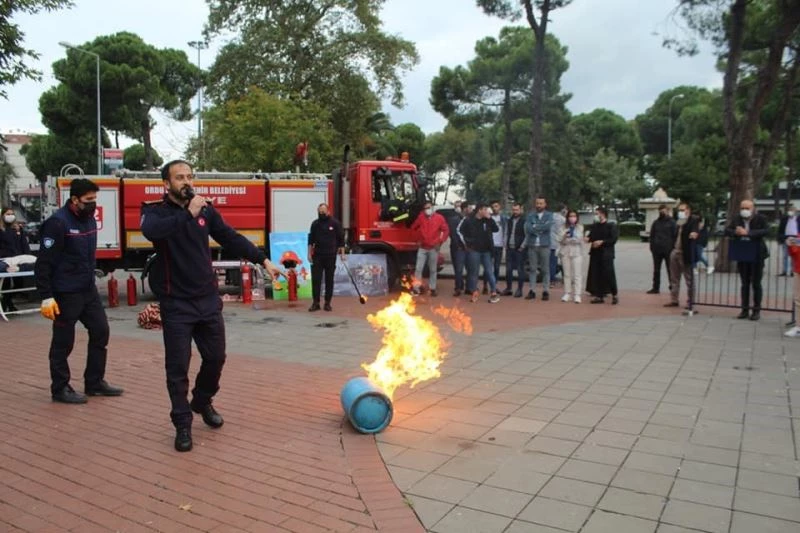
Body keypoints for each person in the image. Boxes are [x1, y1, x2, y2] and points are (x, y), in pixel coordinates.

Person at [141, 160, 282, 452]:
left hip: (206, 300)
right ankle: (182, 424)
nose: (187, 181)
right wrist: (187, 215)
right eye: (180, 177)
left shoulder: (204, 210)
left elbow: (230, 237)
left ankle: (202, 400)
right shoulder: (154, 212)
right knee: (177, 367)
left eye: (190, 176)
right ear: (166, 184)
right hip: (177, 304)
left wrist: (262, 259)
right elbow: (153, 232)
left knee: (216, 357)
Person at [34, 178, 123, 404]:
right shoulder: (57, 224)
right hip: (66, 292)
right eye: (89, 200)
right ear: (74, 199)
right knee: (63, 341)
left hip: (87, 290)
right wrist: (46, 296)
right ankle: (60, 388)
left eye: (95, 199)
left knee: (101, 330)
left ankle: (94, 382)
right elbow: (44, 263)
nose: (93, 204)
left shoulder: (88, 219)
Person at [726, 199, 769, 321]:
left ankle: (756, 310)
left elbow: (766, 230)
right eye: (742, 208)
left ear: (753, 208)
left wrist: (748, 232)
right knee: (744, 283)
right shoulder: (737, 218)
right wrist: (736, 232)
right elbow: (727, 230)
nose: (744, 210)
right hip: (743, 253)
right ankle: (744, 309)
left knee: (756, 283)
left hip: (757, 254)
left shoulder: (761, 218)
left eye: (747, 208)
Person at [307, 203, 345, 311]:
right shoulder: (315, 224)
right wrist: (309, 254)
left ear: (328, 211)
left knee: (329, 280)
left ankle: (327, 303)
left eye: (323, 211)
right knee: (316, 280)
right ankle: (316, 303)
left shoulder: (335, 223)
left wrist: (342, 254)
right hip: (317, 256)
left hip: (330, 256)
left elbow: (341, 239)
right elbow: (310, 240)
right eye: (319, 211)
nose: (321, 213)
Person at [459, 203, 500, 303]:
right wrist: (468, 243)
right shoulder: (469, 220)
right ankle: (474, 292)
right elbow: (461, 231)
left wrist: (490, 219)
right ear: (479, 210)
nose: (487, 211)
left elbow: (496, 229)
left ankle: (493, 292)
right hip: (474, 250)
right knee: (474, 273)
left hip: (486, 250)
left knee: (489, 271)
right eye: (485, 209)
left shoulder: (488, 220)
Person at [664, 203, 699, 312]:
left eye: (683, 210)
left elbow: (696, 229)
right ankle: (674, 299)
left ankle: (691, 300)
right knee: (674, 277)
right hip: (675, 251)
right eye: (679, 210)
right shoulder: (679, 222)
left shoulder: (692, 220)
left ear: (688, 210)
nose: (680, 212)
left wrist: (694, 233)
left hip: (685, 253)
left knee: (689, 278)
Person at [410, 201, 449, 296]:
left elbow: (446, 230)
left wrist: (440, 242)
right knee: (418, 269)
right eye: (426, 208)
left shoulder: (439, 218)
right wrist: (417, 240)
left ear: (432, 207)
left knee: (433, 269)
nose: (428, 210)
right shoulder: (421, 217)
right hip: (422, 248)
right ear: (423, 210)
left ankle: (432, 288)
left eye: (429, 207)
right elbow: (413, 228)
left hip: (433, 248)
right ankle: (416, 288)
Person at [0, 207, 33, 312]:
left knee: (19, 283)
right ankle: (6, 305)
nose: (10, 216)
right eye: (7, 214)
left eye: (11, 214)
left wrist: (28, 257)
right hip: (4, 260)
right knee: (5, 285)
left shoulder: (18, 228)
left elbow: (24, 244)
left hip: (18, 260)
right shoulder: (1, 229)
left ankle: (6, 301)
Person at [522, 196, 553, 301]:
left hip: (544, 245)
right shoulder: (530, 215)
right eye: (537, 203)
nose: (539, 205)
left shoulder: (549, 215)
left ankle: (545, 291)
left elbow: (547, 227)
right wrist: (539, 227)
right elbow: (529, 228)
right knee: (532, 269)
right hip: (532, 245)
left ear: (545, 204)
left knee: (545, 269)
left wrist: (536, 226)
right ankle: (532, 290)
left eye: (541, 203)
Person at [586, 207, 619, 304]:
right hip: (595, 253)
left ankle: (614, 294)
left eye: (597, 214)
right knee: (597, 274)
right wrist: (587, 238)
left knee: (609, 274)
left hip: (606, 254)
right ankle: (599, 295)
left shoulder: (611, 226)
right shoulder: (595, 226)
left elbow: (613, 239)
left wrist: (602, 242)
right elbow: (591, 237)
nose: (596, 216)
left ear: (603, 214)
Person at [647, 204, 676, 294]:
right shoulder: (656, 222)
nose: (662, 212)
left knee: (670, 269)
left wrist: (673, 248)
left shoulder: (672, 222)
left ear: (667, 211)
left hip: (668, 249)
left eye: (663, 210)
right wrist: (652, 246)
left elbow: (675, 236)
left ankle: (672, 286)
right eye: (660, 211)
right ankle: (655, 287)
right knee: (656, 269)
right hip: (657, 250)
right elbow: (652, 235)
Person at [558, 210, 584, 303]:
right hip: (565, 252)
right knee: (567, 274)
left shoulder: (580, 227)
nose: (572, 218)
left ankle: (577, 294)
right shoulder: (563, 227)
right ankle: (567, 293)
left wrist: (572, 238)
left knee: (577, 274)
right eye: (570, 216)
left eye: (574, 216)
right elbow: (560, 240)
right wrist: (566, 236)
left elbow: (579, 239)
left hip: (577, 252)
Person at [502, 203, 526, 298]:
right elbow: (506, 232)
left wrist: (523, 246)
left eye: (517, 210)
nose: (515, 212)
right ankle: (509, 288)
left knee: (520, 270)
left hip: (519, 249)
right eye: (514, 210)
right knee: (508, 270)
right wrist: (505, 244)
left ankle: (519, 289)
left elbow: (527, 235)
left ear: (521, 210)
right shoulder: (510, 220)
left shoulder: (524, 221)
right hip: (509, 248)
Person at [784, 213, 800, 337]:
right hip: (798, 269)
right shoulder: (798, 235)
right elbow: (794, 253)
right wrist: (790, 245)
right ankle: (799, 327)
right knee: (798, 299)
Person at [447, 202, 466, 296]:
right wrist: (458, 244)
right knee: (458, 268)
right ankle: (458, 287)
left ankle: (462, 285)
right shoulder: (453, 219)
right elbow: (452, 234)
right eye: (456, 206)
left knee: (463, 268)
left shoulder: (466, 218)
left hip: (465, 247)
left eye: (459, 206)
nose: (458, 208)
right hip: (456, 247)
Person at [490, 201, 507, 290]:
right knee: (488, 267)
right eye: (493, 206)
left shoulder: (503, 218)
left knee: (497, 266)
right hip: (490, 245)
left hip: (499, 245)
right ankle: (486, 285)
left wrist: (505, 242)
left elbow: (506, 230)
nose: (494, 208)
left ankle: (494, 285)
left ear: (499, 207)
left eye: (496, 206)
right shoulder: (489, 218)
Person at [549, 204, 566, 283]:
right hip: (558, 242)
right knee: (561, 261)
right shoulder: (563, 219)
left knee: (551, 262)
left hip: (549, 242)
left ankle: (551, 279)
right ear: (562, 210)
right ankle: (563, 278)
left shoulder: (550, 216)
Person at [778, 207, 796, 277]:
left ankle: (792, 271)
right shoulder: (784, 219)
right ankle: (784, 271)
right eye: (789, 210)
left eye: (792, 210)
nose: (790, 212)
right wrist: (779, 239)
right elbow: (780, 229)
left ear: (795, 212)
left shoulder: (797, 219)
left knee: (793, 255)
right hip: (785, 238)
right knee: (785, 255)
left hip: (795, 238)